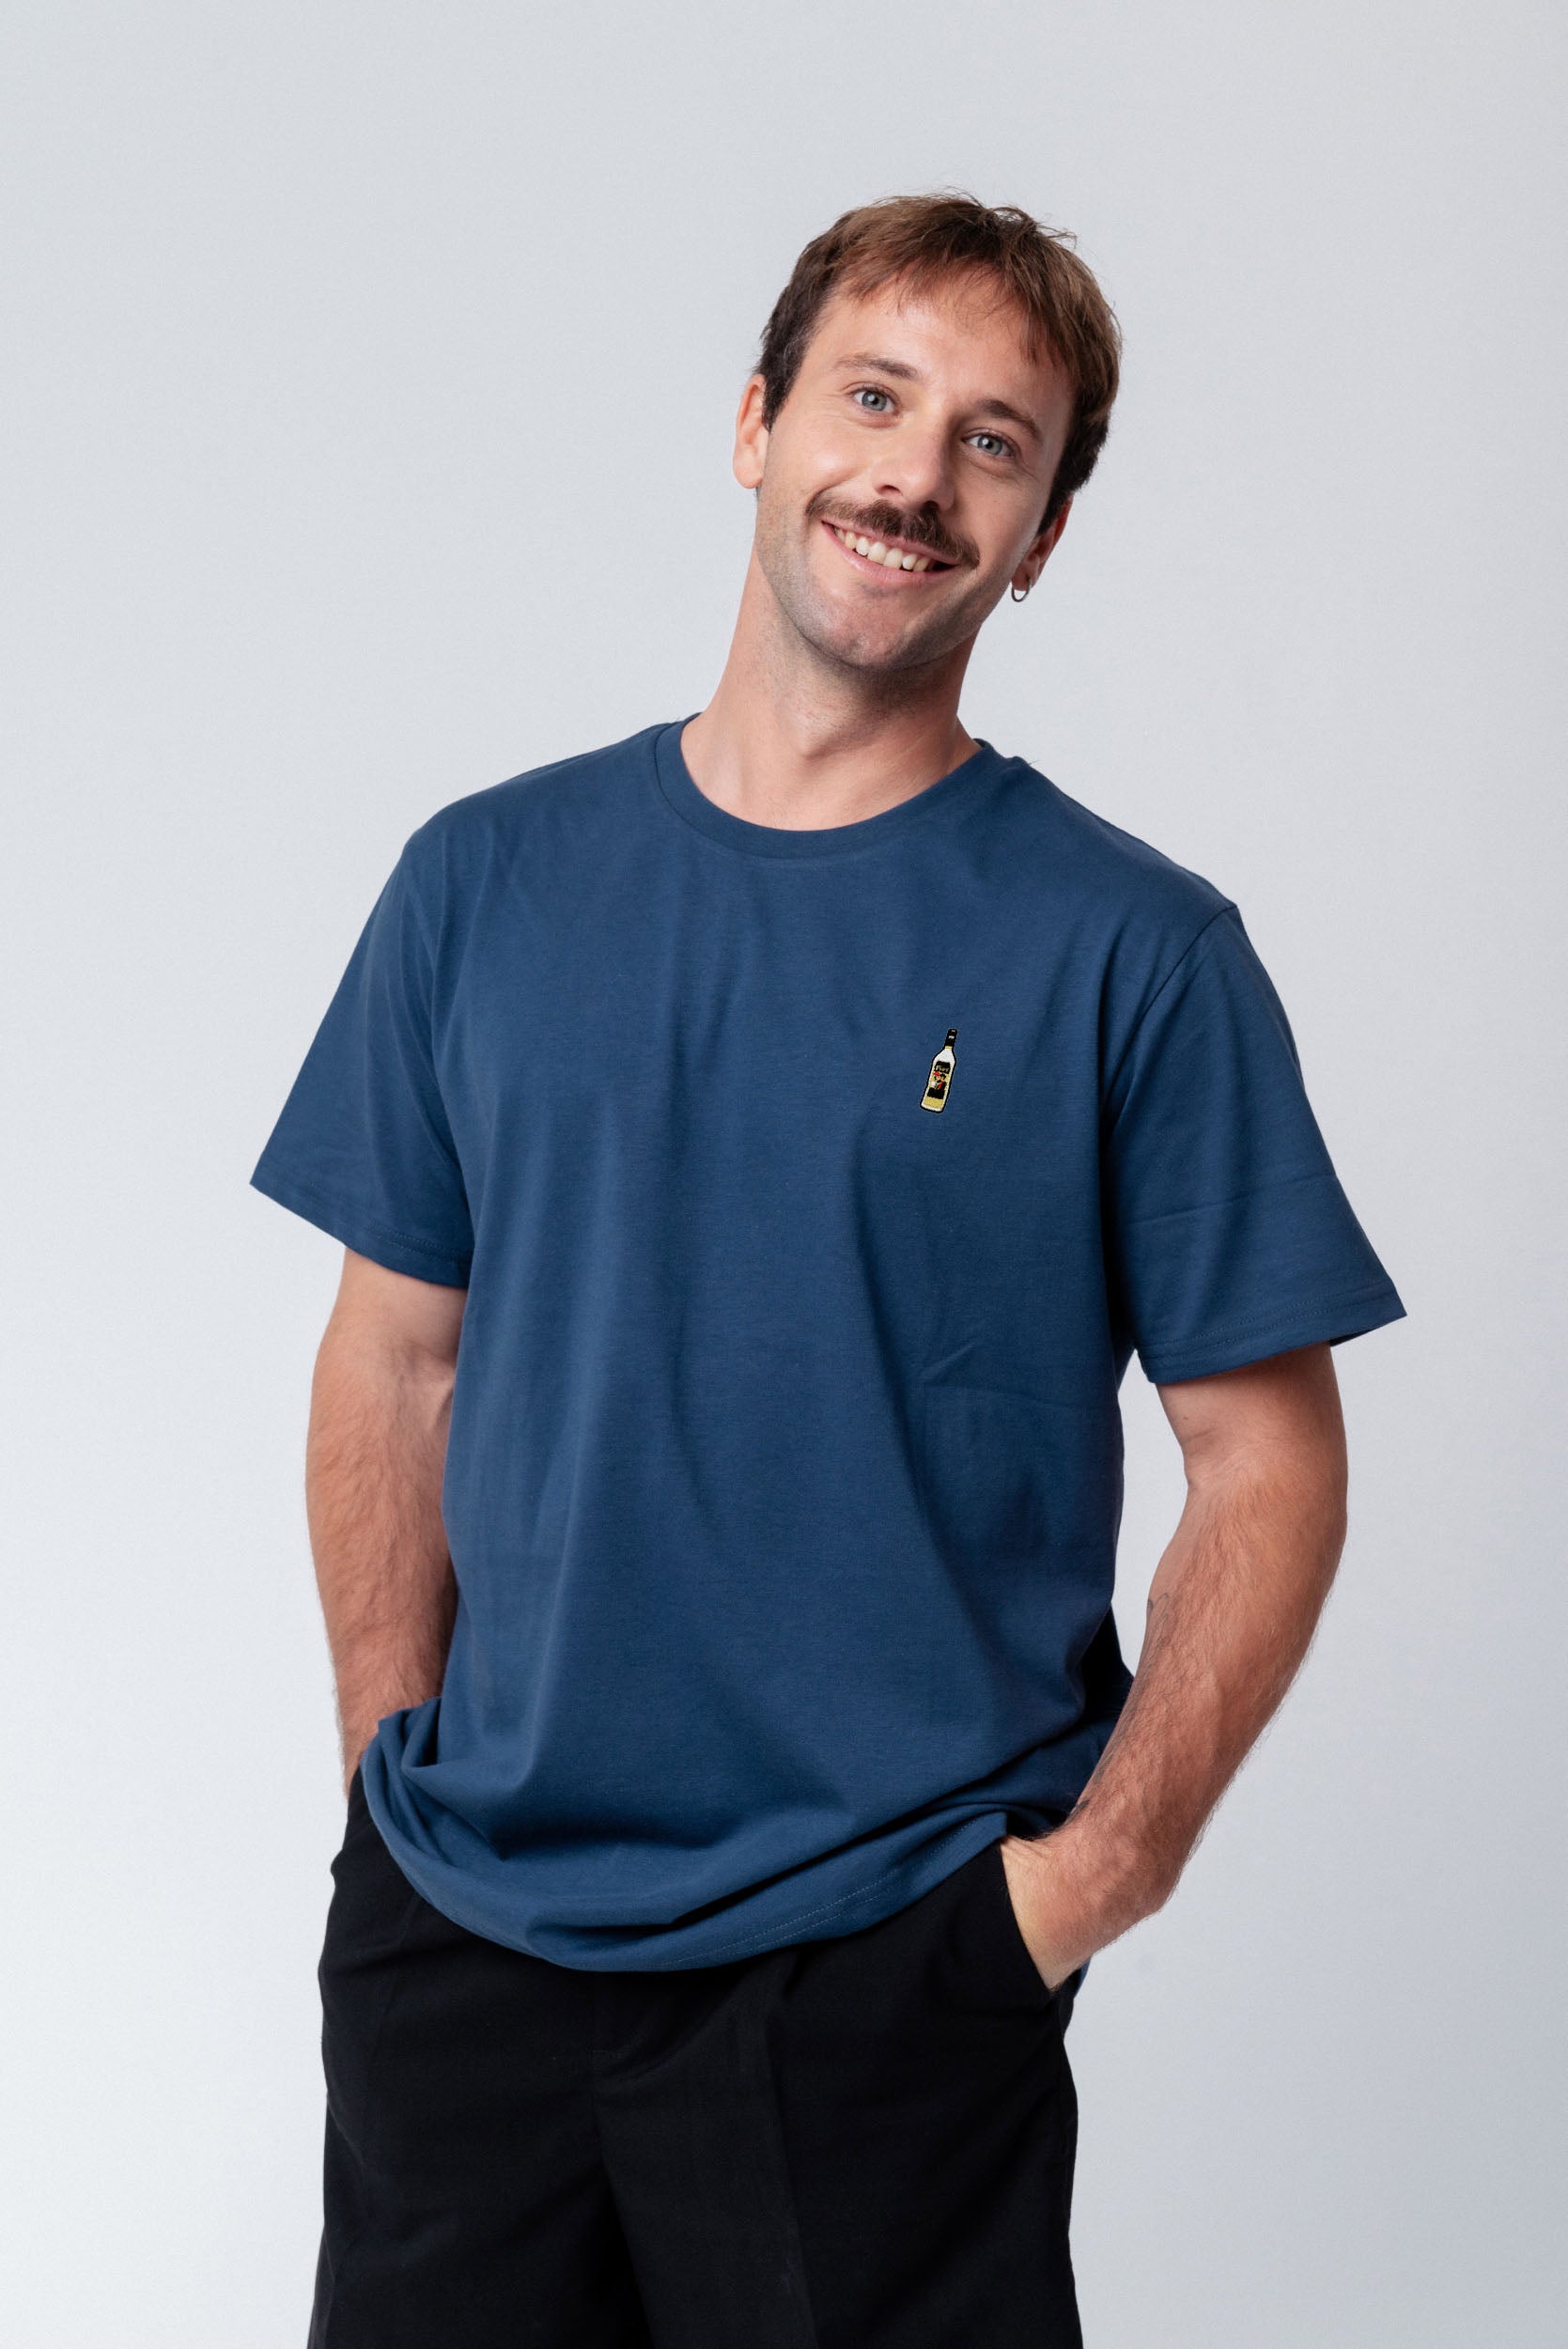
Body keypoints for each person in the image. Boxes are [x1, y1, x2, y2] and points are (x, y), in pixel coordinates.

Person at [251, 192, 1405, 2348]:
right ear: (756, 426)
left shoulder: (1133, 952)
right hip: (467, 1961)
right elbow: (393, 1363)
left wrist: (1083, 1884)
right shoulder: (482, 882)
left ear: (1040, 536)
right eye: (873, 397)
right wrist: (383, 1799)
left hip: (886, 1978)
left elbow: (1272, 1465)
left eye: (993, 441)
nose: (914, 473)